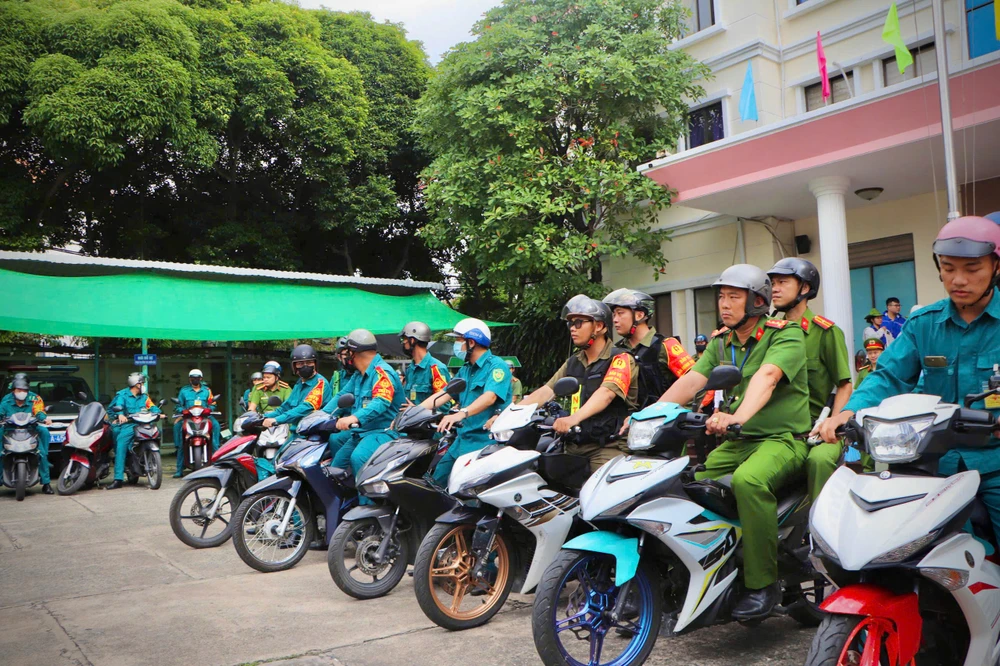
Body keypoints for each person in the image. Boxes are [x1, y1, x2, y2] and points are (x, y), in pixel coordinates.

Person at [821, 215, 1000, 542]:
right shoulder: (922, 323)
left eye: (972, 269)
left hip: (995, 464)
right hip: (933, 465)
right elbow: (888, 377)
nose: (958, 279)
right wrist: (848, 412)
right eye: (948, 268)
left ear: (995, 267)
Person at [650, 264, 810, 619]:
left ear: (756, 301)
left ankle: (762, 584)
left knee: (748, 481)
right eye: (721, 296)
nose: (724, 303)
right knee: (683, 482)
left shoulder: (784, 335)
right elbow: (693, 381)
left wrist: (738, 416)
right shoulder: (722, 341)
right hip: (738, 442)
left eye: (733, 296)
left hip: (782, 439)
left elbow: (767, 377)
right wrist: (648, 415)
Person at [518, 295, 636, 472]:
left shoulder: (620, 358)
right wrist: (511, 413)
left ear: (599, 326)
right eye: (570, 324)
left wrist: (573, 418)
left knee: (600, 494)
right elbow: (546, 391)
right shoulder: (574, 362)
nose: (573, 328)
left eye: (579, 322)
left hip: (606, 447)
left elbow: (606, 394)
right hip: (574, 445)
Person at [768, 258, 853, 501]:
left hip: (814, 428)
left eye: (783, 282)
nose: (775, 288)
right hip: (776, 430)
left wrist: (835, 423)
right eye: (773, 283)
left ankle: (819, 527)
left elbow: (844, 384)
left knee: (819, 461)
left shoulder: (825, 332)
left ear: (804, 288)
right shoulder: (769, 332)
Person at [417, 318, 512, 486]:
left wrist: (461, 413)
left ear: (471, 342)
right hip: (462, 440)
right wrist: (413, 413)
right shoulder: (466, 369)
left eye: (458, 340)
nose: (455, 344)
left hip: (485, 443)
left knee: (467, 493)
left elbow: (490, 397)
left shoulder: (497, 366)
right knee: (435, 482)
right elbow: (444, 394)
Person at [323, 329, 404, 475]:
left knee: (359, 457)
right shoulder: (358, 375)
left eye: (347, 351)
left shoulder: (382, 372)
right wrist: (321, 415)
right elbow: (342, 395)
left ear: (354, 352)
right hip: (363, 432)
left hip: (384, 431)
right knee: (336, 468)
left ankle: (368, 498)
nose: (346, 356)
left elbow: (381, 401)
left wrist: (354, 418)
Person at [602, 288, 696, 407]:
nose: (615, 320)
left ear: (640, 315)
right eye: (614, 315)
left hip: (663, 420)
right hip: (629, 422)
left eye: (620, 313)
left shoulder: (666, 345)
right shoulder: (617, 351)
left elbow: (696, 382)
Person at [0, 376, 54, 494]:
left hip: (30, 430)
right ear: (13, 390)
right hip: (9, 430)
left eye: (24, 390)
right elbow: (1, 411)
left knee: (42, 451)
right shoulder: (6, 400)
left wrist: (44, 419)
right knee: (1, 453)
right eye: (19, 390)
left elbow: (39, 411)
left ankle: (46, 483)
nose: (22, 393)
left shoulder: (34, 398)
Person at [107, 373, 161, 489]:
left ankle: (153, 460)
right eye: (142, 383)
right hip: (130, 425)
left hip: (144, 424)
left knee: (157, 433)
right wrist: (120, 415)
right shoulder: (122, 395)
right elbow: (119, 406)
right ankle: (118, 479)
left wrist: (159, 412)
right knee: (121, 443)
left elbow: (152, 406)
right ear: (136, 384)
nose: (143, 385)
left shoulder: (144, 397)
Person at [262, 344, 332, 432]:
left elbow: (305, 408)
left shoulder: (320, 384)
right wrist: (263, 417)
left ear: (315, 364)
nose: (305, 366)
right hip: (298, 431)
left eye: (309, 362)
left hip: (314, 433)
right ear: (294, 366)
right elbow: (286, 407)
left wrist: (277, 420)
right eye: (300, 363)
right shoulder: (299, 383)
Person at [172, 369, 221, 478]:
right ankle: (179, 469)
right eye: (192, 378)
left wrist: (210, 408)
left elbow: (213, 403)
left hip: (205, 417)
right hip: (188, 418)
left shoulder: (207, 390)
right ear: (189, 379)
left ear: (201, 379)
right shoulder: (184, 391)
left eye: (197, 377)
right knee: (181, 436)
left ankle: (218, 464)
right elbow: (179, 405)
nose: (195, 379)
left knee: (215, 427)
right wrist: (181, 410)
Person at [399, 321, 449, 404]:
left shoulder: (437, 368)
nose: (403, 343)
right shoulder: (410, 369)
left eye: (404, 339)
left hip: (427, 417)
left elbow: (444, 404)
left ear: (412, 340)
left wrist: (418, 410)